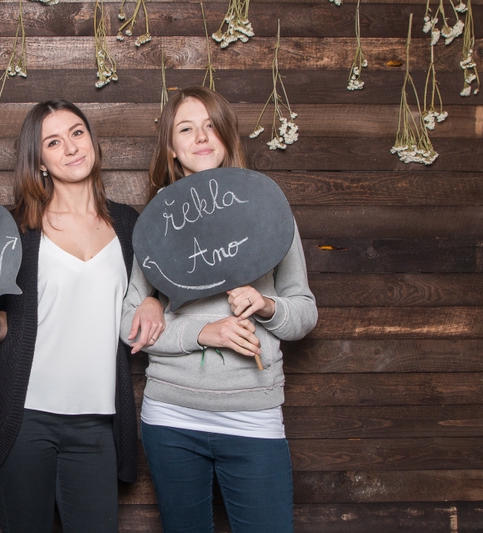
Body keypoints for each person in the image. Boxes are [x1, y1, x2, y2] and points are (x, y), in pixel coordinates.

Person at [0, 99, 164, 533]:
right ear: (40, 162)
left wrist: (154, 301)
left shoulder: (130, 225)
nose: (70, 147)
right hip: (24, 419)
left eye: (76, 133)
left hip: (97, 423)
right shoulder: (17, 230)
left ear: (91, 140)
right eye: (53, 142)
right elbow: (16, 318)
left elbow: (157, 288)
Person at [121, 86, 318, 533]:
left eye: (211, 126)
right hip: (170, 417)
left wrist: (267, 306)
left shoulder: (269, 209)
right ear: (171, 149)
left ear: (227, 136)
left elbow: (304, 313)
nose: (201, 137)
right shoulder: (156, 222)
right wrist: (201, 332)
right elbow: (129, 325)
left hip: (252, 415)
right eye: (186, 129)